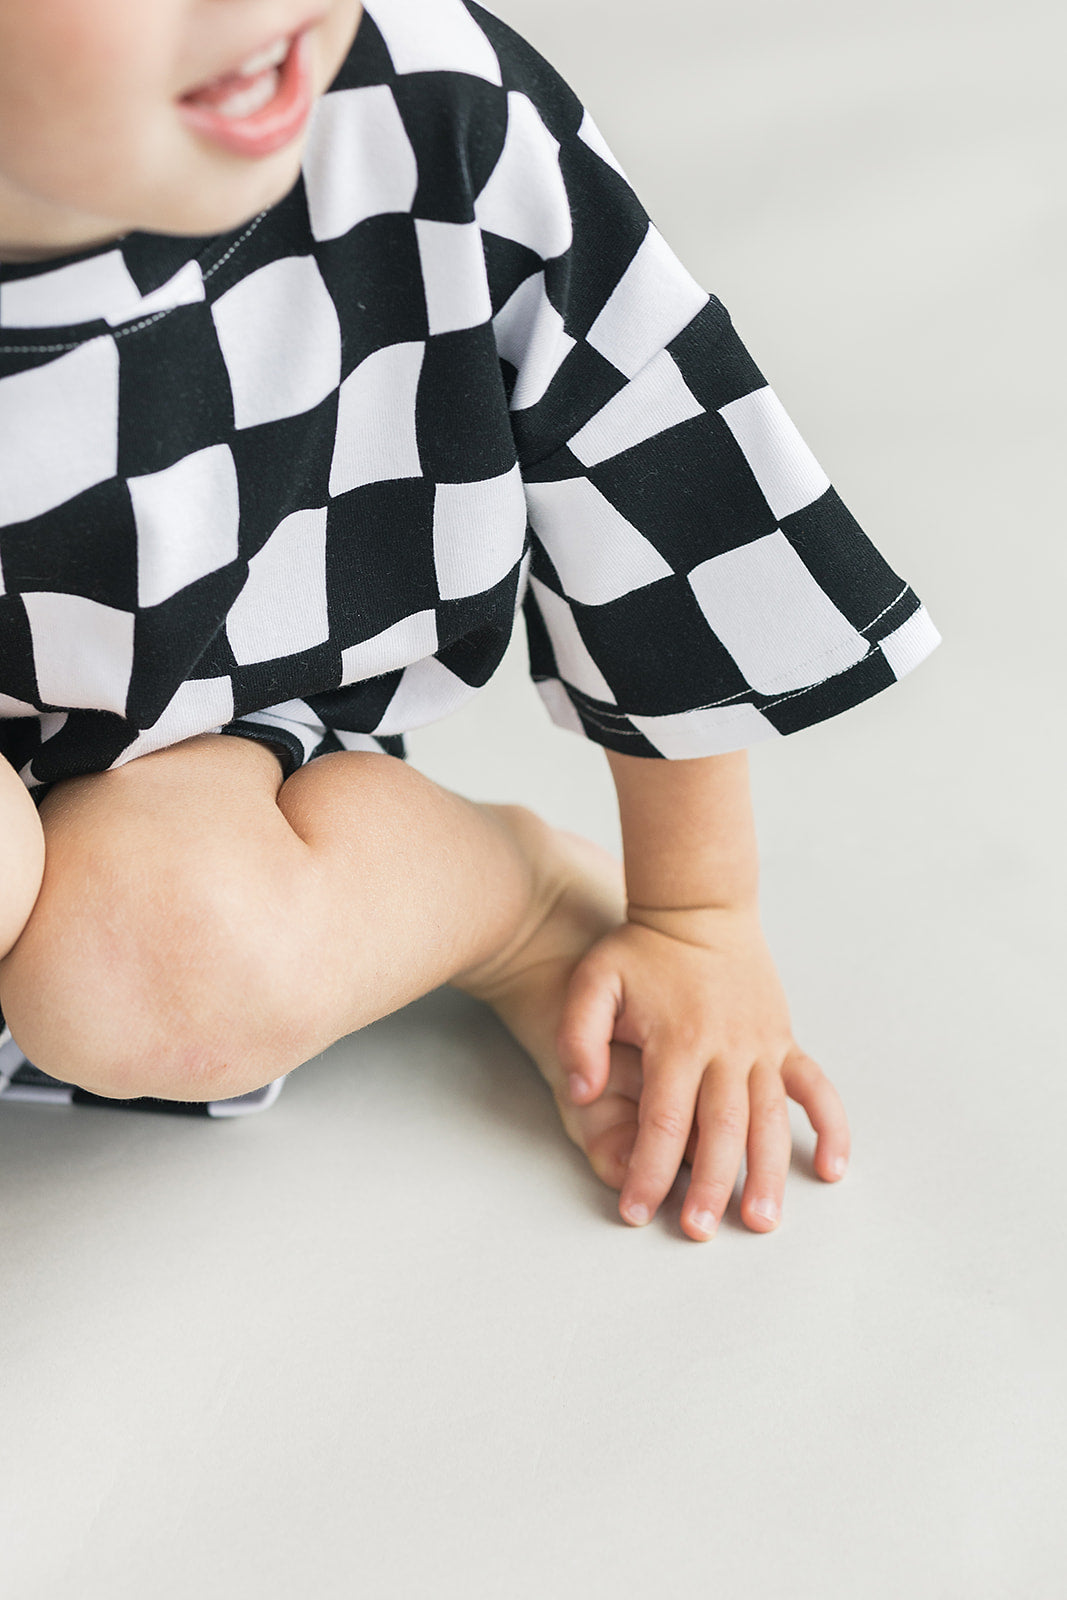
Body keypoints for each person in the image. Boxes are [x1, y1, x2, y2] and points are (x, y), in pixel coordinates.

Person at [0, 0, 940, 1240]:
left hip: (208, 744)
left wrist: (693, 915)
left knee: (167, 964)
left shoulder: (422, 107)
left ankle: (513, 900)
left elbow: (651, 464)